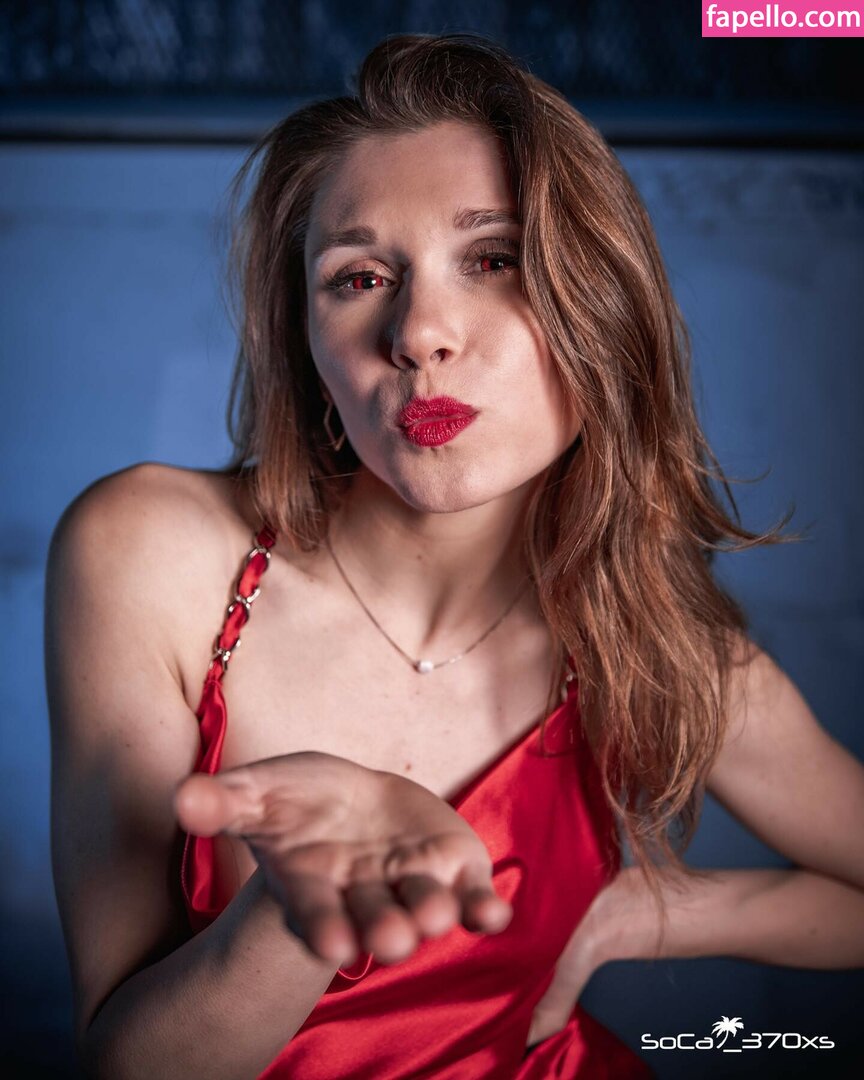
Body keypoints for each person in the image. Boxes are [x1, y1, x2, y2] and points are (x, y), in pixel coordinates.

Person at [45, 32, 864, 1080]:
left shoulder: (655, 643)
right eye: (359, 277)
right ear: (309, 347)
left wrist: (646, 914)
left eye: (492, 259)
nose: (420, 332)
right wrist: (304, 911)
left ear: (602, 303)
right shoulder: (148, 552)